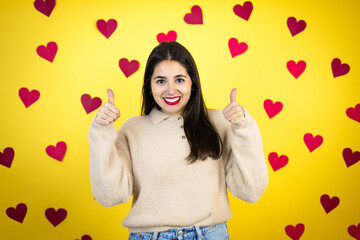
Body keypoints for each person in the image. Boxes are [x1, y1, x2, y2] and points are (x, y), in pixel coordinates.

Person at [88, 41, 269, 240]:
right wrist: (102, 131)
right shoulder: (133, 129)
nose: (171, 90)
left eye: (180, 80)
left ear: (193, 83)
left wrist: (243, 126)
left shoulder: (219, 123)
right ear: (149, 86)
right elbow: (110, 196)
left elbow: (251, 192)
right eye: (160, 81)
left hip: (210, 235)